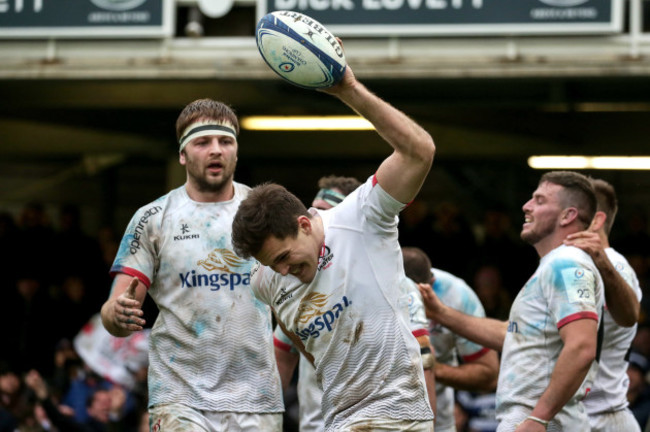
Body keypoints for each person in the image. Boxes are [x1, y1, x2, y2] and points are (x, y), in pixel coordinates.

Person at [231, 62, 437, 431]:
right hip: (338, 420)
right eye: (270, 264)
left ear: (305, 224)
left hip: (397, 414)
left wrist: (348, 89)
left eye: (283, 257)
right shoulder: (265, 280)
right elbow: (296, 339)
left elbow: (419, 151)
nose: (281, 272)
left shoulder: (362, 216)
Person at [99, 99, 284, 431]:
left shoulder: (263, 213)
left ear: (236, 152)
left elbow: (302, 287)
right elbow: (115, 311)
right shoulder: (153, 218)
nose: (216, 150)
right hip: (180, 398)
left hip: (257, 398)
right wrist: (116, 314)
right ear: (183, 154)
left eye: (225, 142)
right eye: (203, 142)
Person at [417, 171, 604, 431]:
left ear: (567, 215)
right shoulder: (555, 264)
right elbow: (515, 334)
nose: (526, 206)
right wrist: (441, 312)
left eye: (539, 200)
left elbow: (582, 346)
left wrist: (539, 417)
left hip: (542, 421)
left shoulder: (566, 264)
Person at [275, 175, 436, 432]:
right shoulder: (291, 288)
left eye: (327, 216)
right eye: (312, 214)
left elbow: (422, 364)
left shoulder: (394, 286)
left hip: (380, 423)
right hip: (318, 424)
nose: (316, 225)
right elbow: (283, 355)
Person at [563, 177, 643, 432]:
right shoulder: (587, 265)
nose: (562, 220)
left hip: (601, 419)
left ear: (595, 220)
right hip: (591, 417)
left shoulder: (611, 266)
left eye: (570, 212)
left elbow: (578, 343)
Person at [401, 246, 500, 432]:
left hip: (438, 410)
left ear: (431, 283)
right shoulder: (363, 287)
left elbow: (489, 374)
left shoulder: (456, 295)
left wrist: (432, 367)